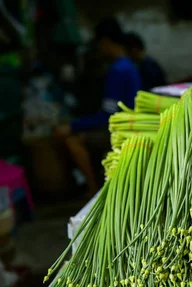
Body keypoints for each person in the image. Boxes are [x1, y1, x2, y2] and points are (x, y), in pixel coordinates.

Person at [54, 18, 141, 196]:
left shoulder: (117, 70)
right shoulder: (129, 66)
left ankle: (93, 189)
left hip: (123, 128)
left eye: (100, 45)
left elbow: (107, 116)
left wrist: (72, 126)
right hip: (129, 123)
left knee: (73, 140)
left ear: (106, 43)